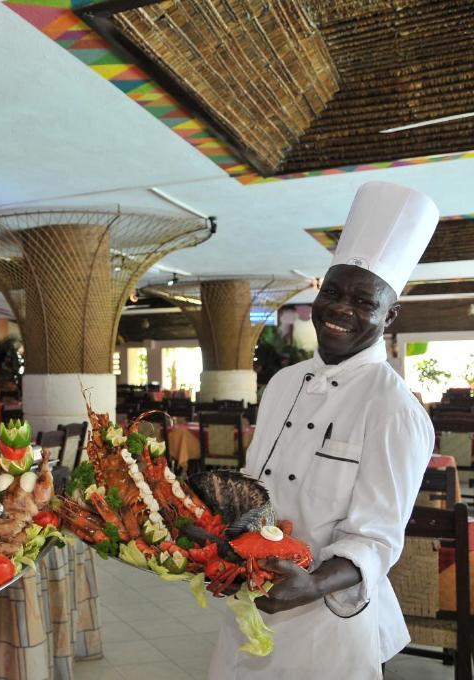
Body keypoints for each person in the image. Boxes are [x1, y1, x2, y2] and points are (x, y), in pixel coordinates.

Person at [207, 181, 439, 679]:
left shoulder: (394, 409)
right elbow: (253, 491)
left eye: (363, 300)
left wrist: (309, 585)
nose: (340, 309)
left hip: (325, 619)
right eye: (332, 291)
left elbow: (376, 540)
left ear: (390, 314)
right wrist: (214, 534)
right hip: (250, 594)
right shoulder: (284, 382)